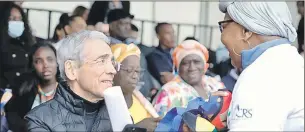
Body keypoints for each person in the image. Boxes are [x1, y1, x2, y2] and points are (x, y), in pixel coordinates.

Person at [218, 1, 303, 131]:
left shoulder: (259, 75)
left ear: (246, 30)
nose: (222, 37)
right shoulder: (291, 61)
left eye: (224, 27)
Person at [25, 30, 117, 131]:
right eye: (101, 61)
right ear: (71, 69)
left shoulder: (119, 116)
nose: (112, 70)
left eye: (112, 62)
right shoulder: (40, 120)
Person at [153, 40, 226, 116]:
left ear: (204, 65)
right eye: (185, 63)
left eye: (196, 62)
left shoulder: (215, 84)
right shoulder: (168, 92)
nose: (192, 68)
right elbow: (159, 125)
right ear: (178, 67)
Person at [5, 42, 59, 132]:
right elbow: (12, 118)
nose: (45, 65)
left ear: (57, 62)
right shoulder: (23, 91)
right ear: (32, 65)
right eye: (39, 61)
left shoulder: (70, 93)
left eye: (50, 59)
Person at [111, 44, 161, 131]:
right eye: (129, 70)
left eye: (137, 71)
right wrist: (136, 129)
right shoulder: (103, 105)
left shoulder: (142, 104)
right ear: (113, 69)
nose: (135, 76)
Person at [0, 3, 35, 91]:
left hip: (24, 94)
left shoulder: (28, 43)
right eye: (12, 19)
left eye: (19, 19)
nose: (16, 22)